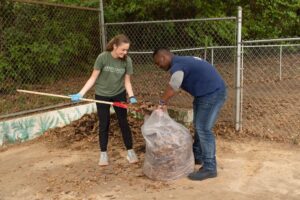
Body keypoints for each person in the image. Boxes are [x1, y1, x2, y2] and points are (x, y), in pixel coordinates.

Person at [152, 48, 227, 181]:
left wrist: (162, 102)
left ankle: (210, 167)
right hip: (204, 94)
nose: (159, 66)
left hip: (212, 94)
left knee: (203, 129)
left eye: (158, 63)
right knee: (199, 126)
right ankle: (198, 156)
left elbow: (174, 85)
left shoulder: (178, 65)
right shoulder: (182, 61)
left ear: (164, 57)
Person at [69, 34, 138, 166]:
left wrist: (132, 96)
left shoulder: (127, 61)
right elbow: (93, 78)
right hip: (102, 95)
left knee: (123, 122)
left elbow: (127, 82)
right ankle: (103, 154)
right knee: (104, 123)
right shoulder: (103, 57)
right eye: (123, 49)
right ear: (115, 46)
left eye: (127, 50)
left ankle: (130, 151)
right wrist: (81, 93)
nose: (125, 52)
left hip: (119, 94)